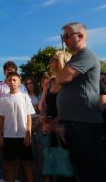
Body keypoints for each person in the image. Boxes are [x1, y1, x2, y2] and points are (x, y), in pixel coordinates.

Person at [50, 22, 106, 181]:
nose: (64, 40)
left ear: (80, 36)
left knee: (95, 172)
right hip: (76, 125)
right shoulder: (74, 59)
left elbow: (62, 78)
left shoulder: (86, 55)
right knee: (84, 170)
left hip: (84, 125)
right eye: (62, 37)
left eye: (67, 36)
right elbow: (54, 87)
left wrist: (60, 79)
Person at [38, 50, 75, 182]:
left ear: (62, 61)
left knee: (70, 166)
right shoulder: (52, 82)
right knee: (59, 167)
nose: (50, 62)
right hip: (52, 130)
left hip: (67, 130)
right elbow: (41, 107)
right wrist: (44, 89)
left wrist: (56, 123)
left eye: (53, 59)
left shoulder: (70, 82)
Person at [0, 72, 34, 182]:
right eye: (9, 80)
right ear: (6, 82)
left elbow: (29, 117)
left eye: (14, 80)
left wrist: (28, 135)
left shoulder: (25, 98)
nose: (12, 82)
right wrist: (0, 136)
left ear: (19, 82)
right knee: (10, 165)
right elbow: (1, 119)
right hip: (8, 137)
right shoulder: (3, 100)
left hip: (23, 136)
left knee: (27, 164)